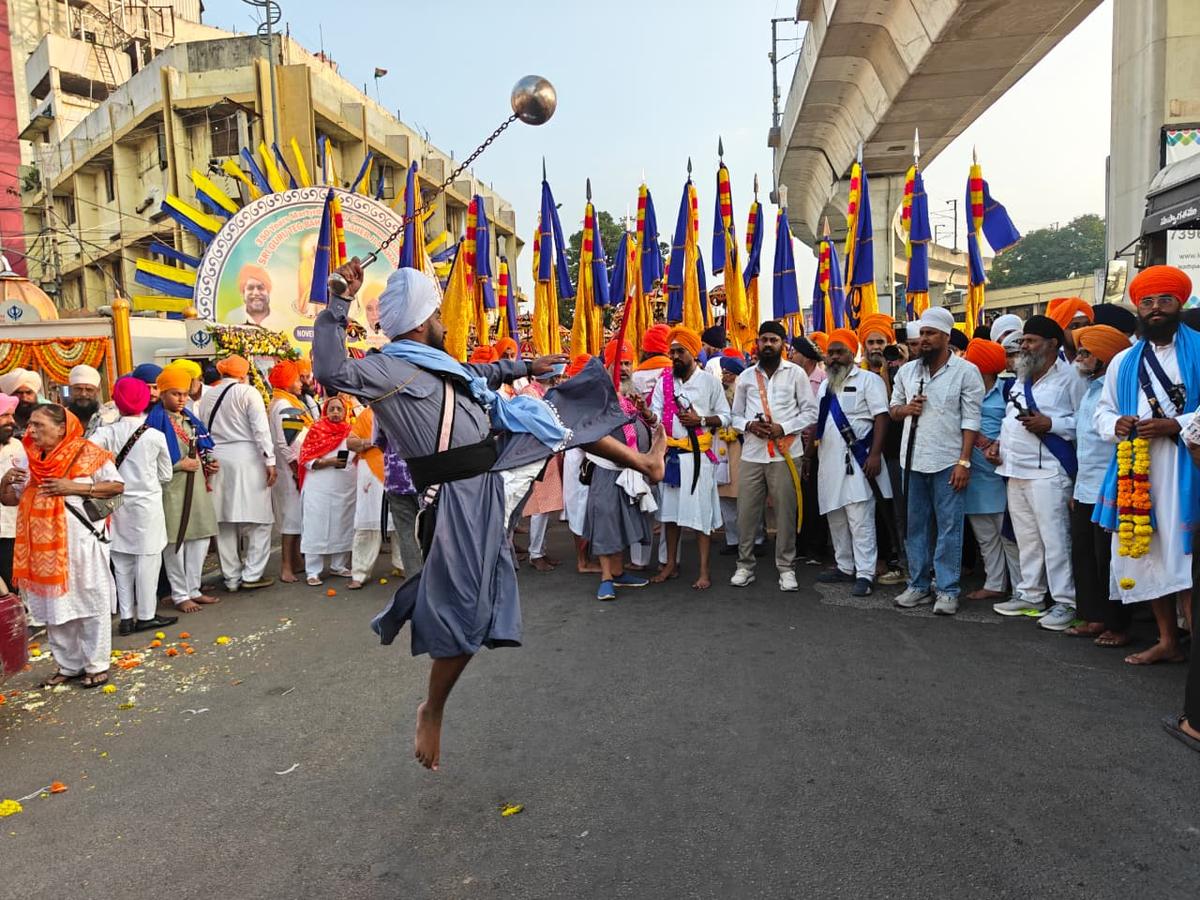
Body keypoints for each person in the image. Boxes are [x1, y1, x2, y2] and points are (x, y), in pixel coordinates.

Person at [312, 261, 665, 770]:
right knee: (465, 620)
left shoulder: (440, 365)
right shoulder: (386, 368)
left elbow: (481, 374)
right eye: (438, 315)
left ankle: (643, 462)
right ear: (420, 320)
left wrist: (527, 367)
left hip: (488, 477)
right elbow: (329, 372)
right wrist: (339, 301)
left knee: (561, 412)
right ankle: (432, 709)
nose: (446, 324)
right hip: (452, 500)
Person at [1096, 265, 1200, 668]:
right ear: (1139, 307)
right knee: (1149, 553)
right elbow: (1102, 412)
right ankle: (1168, 640)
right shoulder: (1123, 361)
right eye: (1148, 302)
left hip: (1187, 465)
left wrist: (1176, 424)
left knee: (1187, 554)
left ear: (1180, 303)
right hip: (1137, 467)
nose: (1156, 309)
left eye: (1164, 301)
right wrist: (1116, 424)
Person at [0, 405, 123, 688]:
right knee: (54, 608)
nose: (30, 431)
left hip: (81, 546)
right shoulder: (27, 457)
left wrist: (76, 487)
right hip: (42, 551)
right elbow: (10, 500)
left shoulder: (87, 452)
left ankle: (97, 664)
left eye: (38, 425)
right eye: (29, 425)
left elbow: (116, 486)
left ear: (61, 428)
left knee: (90, 602)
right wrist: (4, 484)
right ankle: (69, 665)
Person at [987, 315, 1085, 630]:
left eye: (1031, 340)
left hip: (1050, 471)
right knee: (1028, 538)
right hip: (1015, 469)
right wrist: (998, 446)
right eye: (1023, 341)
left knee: (1055, 539)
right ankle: (1030, 595)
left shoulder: (1072, 378)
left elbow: (1086, 422)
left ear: (1052, 343)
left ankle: (1066, 602)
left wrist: (1051, 424)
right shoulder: (1021, 377)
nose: (1024, 346)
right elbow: (1011, 420)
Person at [890, 307, 984, 616]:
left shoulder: (965, 372)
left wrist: (964, 462)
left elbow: (971, 421)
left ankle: (947, 589)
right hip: (912, 460)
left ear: (945, 336)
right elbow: (893, 410)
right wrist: (907, 410)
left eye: (931, 334)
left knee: (949, 527)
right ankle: (918, 585)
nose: (924, 340)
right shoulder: (907, 372)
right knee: (916, 526)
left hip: (947, 461)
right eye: (921, 335)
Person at [729, 320, 817, 592]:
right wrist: (749, 426)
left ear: (783, 344)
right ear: (756, 343)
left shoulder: (796, 374)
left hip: (786, 453)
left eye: (773, 340)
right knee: (746, 513)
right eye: (763, 339)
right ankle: (745, 566)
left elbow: (810, 412)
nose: (768, 344)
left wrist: (783, 428)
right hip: (753, 453)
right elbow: (734, 416)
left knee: (785, 513)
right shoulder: (745, 377)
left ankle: (786, 568)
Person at [806, 328, 891, 596]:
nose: (833, 358)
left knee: (860, 517)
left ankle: (865, 574)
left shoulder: (869, 380)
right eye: (830, 353)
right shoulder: (825, 387)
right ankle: (845, 566)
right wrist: (808, 456)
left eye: (839, 352)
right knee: (836, 515)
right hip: (828, 463)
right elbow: (818, 424)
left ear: (852, 353)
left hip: (859, 461)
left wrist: (875, 455)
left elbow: (882, 418)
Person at [91, 376, 176, 635]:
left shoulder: (103, 434)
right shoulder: (155, 436)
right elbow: (166, 474)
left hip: (116, 503)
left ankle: (126, 616)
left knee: (122, 560)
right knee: (148, 560)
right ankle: (147, 614)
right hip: (147, 503)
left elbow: (90, 463)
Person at [648, 326, 730, 590]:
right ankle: (670, 564)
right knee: (670, 517)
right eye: (671, 351)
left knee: (700, 517)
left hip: (698, 459)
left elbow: (727, 416)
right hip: (672, 457)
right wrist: (647, 415)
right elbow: (656, 416)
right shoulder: (665, 382)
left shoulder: (710, 382)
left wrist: (701, 420)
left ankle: (704, 571)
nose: (674, 356)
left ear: (693, 353)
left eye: (679, 351)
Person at [1067, 325, 1131, 646]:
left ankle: (1117, 625)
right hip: (1085, 488)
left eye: (1085, 353)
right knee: (1084, 554)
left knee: (1109, 558)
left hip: (1111, 488)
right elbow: (1084, 447)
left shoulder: (1117, 390)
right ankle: (1094, 617)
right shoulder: (1090, 388)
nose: (1078, 358)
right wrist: (1077, 491)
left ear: (1105, 357)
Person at [195, 355, 277, 592]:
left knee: (224, 521)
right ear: (243, 374)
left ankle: (231, 578)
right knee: (260, 520)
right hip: (248, 458)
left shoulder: (207, 394)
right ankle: (252, 574)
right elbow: (260, 429)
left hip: (217, 459)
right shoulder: (248, 392)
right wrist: (269, 460)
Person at [582, 340, 654, 600]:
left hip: (632, 470)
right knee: (606, 521)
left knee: (625, 521)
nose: (623, 368)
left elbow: (647, 424)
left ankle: (619, 571)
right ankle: (606, 578)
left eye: (627, 363)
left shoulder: (632, 393)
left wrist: (644, 411)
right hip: (606, 468)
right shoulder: (599, 394)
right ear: (608, 366)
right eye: (619, 364)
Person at [148, 365, 220, 614]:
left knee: (199, 536)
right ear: (163, 393)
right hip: (172, 488)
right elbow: (150, 461)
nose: (181, 399)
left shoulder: (190, 418)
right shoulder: (154, 421)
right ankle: (179, 594)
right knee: (175, 542)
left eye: (184, 394)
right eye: (175, 394)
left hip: (196, 485)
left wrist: (208, 461)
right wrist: (179, 465)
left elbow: (201, 446)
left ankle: (193, 588)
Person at [960, 339, 1021, 605]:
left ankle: (1022, 590)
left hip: (1002, 474)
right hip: (972, 474)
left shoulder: (1008, 390)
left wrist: (997, 446)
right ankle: (995, 584)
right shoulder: (964, 391)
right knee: (985, 537)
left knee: (1010, 537)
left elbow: (1017, 425)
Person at [858, 314, 905, 584]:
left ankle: (898, 561)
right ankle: (877, 559)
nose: (876, 347)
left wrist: (892, 369)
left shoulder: (902, 370)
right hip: (867, 452)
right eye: (871, 342)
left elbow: (892, 407)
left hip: (895, 451)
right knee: (872, 508)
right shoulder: (857, 374)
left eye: (881, 342)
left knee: (895, 507)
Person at [297, 397, 355, 585]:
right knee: (316, 526)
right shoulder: (316, 430)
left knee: (342, 523)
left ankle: (339, 566)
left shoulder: (350, 431)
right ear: (325, 411)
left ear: (346, 412)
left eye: (339, 409)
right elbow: (305, 458)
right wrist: (327, 462)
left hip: (344, 486)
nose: (336, 412)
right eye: (332, 409)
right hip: (318, 487)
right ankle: (312, 571)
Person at [347, 405, 406, 589]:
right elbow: (350, 443)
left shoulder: (401, 410)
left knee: (402, 521)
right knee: (368, 521)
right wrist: (372, 441)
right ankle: (360, 572)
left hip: (398, 470)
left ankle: (404, 565)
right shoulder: (367, 414)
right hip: (371, 473)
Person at [267, 360, 310, 583]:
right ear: (287, 382)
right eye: (296, 379)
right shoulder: (285, 406)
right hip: (289, 469)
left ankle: (295, 561)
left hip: (286, 468)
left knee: (291, 518)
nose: (301, 383)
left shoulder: (279, 402)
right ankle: (286, 567)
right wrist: (295, 469)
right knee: (291, 520)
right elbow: (288, 443)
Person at [519, 367, 566, 573]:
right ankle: (535, 554)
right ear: (554, 377)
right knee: (540, 506)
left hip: (547, 454)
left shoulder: (544, 392)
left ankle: (540, 551)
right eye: (560, 376)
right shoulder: (530, 393)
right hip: (536, 455)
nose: (561, 379)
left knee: (546, 506)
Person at [789, 335, 829, 565]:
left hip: (816, 446)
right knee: (796, 495)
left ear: (805, 356)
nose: (791, 356)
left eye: (794, 352)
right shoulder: (791, 378)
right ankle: (800, 545)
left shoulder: (822, 380)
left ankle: (817, 548)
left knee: (814, 495)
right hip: (793, 443)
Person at [0, 393, 26, 591]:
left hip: (13, 528)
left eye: (11, 415)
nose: (11, 420)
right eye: (4, 415)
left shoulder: (17, 446)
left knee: (14, 584)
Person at [227, 264, 289, 330]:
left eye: (260, 288)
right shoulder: (231, 319)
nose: (256, 293)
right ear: (243, 293)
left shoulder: (283, 322)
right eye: (250, 288)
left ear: (268, 292)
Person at [0, 369, 42, 439]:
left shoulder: (46, 416)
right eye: (19, 393)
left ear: (36, 394)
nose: (24, 397)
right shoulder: (4, 419)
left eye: (28, 393)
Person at [67, 364, 108, 436]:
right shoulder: (62, 417)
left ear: (97, 391)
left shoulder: (109, 417)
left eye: (89, 390)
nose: (83, 394)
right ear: (70, 390)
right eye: (78, 389)